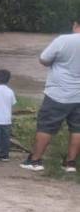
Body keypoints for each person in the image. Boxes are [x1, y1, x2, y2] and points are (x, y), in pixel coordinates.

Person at [21, 18, 80, 172]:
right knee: (77, 129)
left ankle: (35, 160)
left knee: (46, 127)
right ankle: (70, 163)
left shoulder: (63, 40)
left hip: (58, 93)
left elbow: (44, 59)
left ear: (75, 24)